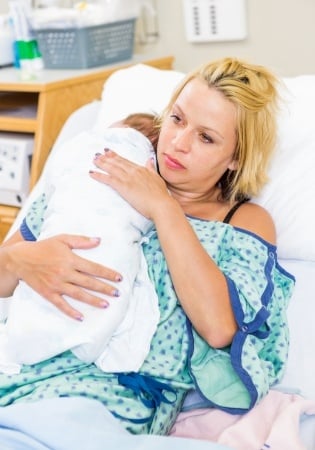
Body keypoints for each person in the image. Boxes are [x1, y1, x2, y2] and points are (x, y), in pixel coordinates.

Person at [0, 57, 295, 438]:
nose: (178, 142)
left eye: (206, 138)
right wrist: (18, 260)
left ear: (236, 158)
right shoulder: (108, 170)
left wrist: (162, 206)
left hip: (102, 396)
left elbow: (220, 327)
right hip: (19, 360)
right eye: (177, 118)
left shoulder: (241, 219)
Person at [0, 113, 160, 375]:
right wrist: (19, 259)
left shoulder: (164, 209)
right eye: (177, 120)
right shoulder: (74, 183)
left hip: (79, 372)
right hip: (39, 341)